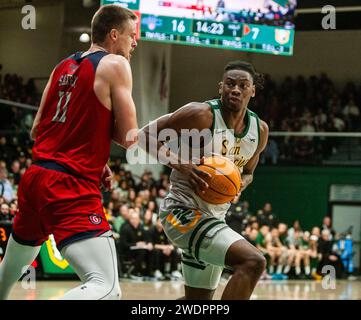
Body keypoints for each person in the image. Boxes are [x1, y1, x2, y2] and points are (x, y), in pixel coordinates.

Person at [0, 4, 139, 300]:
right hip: (68, 186)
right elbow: (130, 137)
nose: (134, 42)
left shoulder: (62, 66)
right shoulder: (116, 64)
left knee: (6, 276)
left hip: (36, 178)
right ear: (114, 35)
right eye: (131, 36)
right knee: (107, 287)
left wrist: (93, 151)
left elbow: (38, 129)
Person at [140, 61, 268, 300]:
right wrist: (180, 163)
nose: (236, 90)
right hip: (182, 213)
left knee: (197, 302)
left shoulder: (259, 131)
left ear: (252, 91)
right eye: (230, 84)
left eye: (243, 85)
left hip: (214, 217)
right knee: (253, 261)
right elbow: (142, 135)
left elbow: (249, 172)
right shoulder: (200, 114)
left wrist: (241, 182)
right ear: (221, 87)